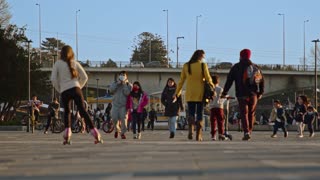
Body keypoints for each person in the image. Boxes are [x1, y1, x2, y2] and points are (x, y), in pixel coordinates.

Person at [51, 45, 102, 144]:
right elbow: (85, 77)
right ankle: (95, 132)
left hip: (65, 91)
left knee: (67, 112)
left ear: (61, 53)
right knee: (83, 111)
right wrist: (79, 86)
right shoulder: (75, 63)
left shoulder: (57, 64)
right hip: (76, 89)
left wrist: (60, 89)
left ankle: (67, 134)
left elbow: (53, 79)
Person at [221, 49, 264, 141]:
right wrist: (260, 93)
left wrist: (224, 92)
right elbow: (261, 81)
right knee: (251, 113)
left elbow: (229, 81)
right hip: (253, 95)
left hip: (241, 94)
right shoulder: (255, 67)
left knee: (244, 113)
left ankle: (246, 132)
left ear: (240, 56)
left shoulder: (236, 67)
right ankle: (250, 131)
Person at [175, 50, 215, 141]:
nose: (203, 58)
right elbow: (208, 78)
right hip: (200, 94)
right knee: (200, 113)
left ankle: (190, 130)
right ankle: (198, 134)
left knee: (191, 113)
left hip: (190, 93)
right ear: (200, 56)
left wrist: (177, 93)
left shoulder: (186, 65)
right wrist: (213, 87)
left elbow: (181, 81)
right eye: (203, 56)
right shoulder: (202, 65)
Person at [109, 71, 132, 139]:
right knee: (114, 118)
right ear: (119, 76)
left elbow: (127, 93)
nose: (122, 76)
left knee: (124, 120)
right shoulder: (115, 83)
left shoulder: (129, 85)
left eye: (124, 75)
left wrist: (124, 84)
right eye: (121, 75)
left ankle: (122, 133)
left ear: (126, 76)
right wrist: (117, 84)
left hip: (123, 106)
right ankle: (116, 130)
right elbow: (111, 90)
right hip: (115, 104)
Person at [209, 75, 228, 141]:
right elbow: (223, 97)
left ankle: (213, 135)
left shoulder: (210, 89)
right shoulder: (220, 89)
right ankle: (221, 134)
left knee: (213, 122)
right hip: (219, 107)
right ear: (218, 81)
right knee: (220, 121)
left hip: (212, 107)